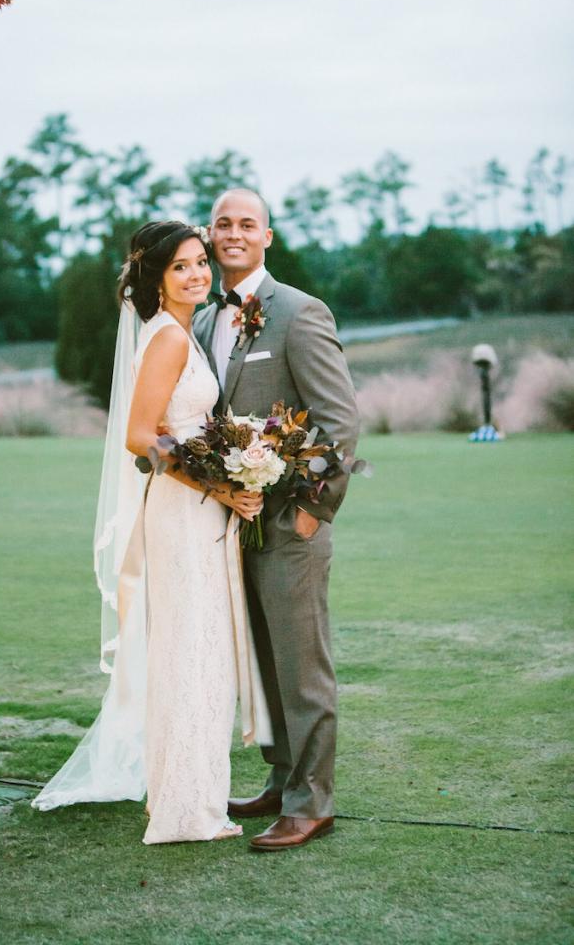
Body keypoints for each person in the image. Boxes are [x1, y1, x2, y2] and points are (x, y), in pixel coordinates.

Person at [31, 220, 271, 844]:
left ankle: (181, 795)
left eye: (200, 263)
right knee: (190, 653)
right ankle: (185, 811)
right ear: (156, 280)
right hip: (183, 512)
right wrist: (220, 485)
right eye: (181, 267)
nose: (198, 274)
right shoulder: (166, 339)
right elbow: (142, 436)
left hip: (195, 511)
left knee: (197, 651)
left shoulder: (180, 334)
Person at [194, 189, 359, 851]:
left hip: (291, 525)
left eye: (246, 224)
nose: (233, 234)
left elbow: (338, 421)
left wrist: (314, 512)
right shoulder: (206, 318)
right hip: (234, 522)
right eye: (222, 224)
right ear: (209, 235)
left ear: (267, 235)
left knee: (301, 666)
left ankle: (311, 801)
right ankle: (280, 779)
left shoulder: (298, 311)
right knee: (263, 665)